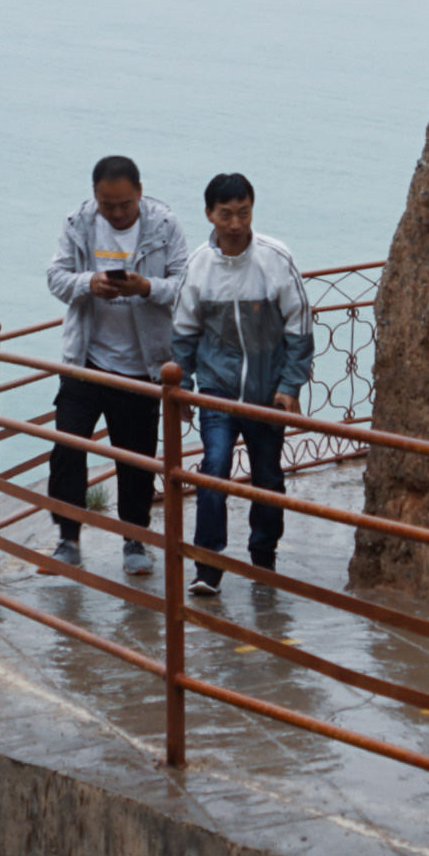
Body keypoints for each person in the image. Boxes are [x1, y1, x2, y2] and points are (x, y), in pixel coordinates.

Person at [168, 173, 314, 598]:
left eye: (243, 213)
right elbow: (184, 331)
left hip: (268, 390)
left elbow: (299, 327)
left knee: (268, 476)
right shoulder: (198, 265)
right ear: (210, 214)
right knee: (214, 468)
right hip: (217, 388)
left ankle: (263, 559)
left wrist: (290, 386)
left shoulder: (275, 258)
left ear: (253, 209)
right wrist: (185, 385)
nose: (235, 223)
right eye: (226, 214)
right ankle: (208, 566)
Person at [41, 156, 186, 575]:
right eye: (108, 205)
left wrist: (146, 288)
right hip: (86, 360)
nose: (117, 212)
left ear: (139, 192)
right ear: (95, 198)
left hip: (143, 364)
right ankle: (67, 539)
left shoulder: (164, 225)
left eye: (124, 204)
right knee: (68, 449)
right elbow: (55, 277)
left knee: (136, 458)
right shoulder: (79, 222)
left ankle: (134, 541)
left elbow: (183, 285)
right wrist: (90, 283)